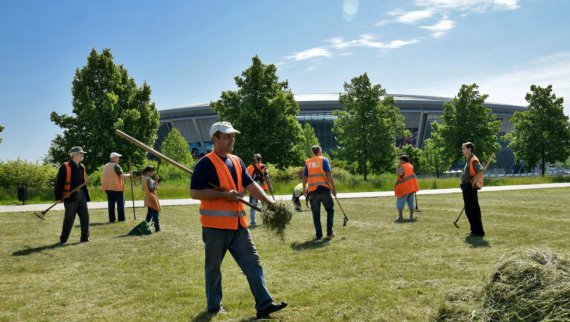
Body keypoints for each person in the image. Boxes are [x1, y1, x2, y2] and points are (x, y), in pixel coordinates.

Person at [190, 121, 288, 318]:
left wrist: (268, 202)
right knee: (214, 268)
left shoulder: (237, 161)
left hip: (238, 226)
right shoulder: (205, 163)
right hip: (215, 227)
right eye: (226, 136)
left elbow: (250, 185)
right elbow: (195, 193)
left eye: (232, 136)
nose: (231, 139)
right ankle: (214, 306)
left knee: (253, 263)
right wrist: (223, 195)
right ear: (215, 138)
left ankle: (264, 304)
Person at [54, 146, 90, 243]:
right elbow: (59, 183)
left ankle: (85, 238)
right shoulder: (65, 167)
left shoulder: (82, 167)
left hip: (82, 195)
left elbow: (83, 181)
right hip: (70, 196)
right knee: (69, 218)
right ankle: (63, 239)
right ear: (76, 155)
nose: (82, 155)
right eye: (81, 153)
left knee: (85, 217)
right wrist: (59, 197)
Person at [303, 145, 337, 240]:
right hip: (325, 189)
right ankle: (329, 232)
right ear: (319, 151)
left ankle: (319, 235)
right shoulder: (324, 160)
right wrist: (334, 189)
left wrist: (304, 189)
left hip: (313, 191)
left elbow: (304, 177)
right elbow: (329, 175)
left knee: (316, 215)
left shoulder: (308, 162)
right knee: (330, 210)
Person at [461, 142, 485, 237]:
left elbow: (481, 170)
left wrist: (475, 180)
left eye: (463, 148)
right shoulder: (468, 159)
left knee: (473, 209)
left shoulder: (473, 160)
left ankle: (479, 231)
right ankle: (474, 230)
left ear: (469, 149)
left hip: (470, 187)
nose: (462, 150)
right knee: (469, 210)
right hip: (466, 187)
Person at [101, 152, 131, 223]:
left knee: (111, 204)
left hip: (108, 188)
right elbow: (121, 175)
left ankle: (112, 219)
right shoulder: (116, 166)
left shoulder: (105, 166)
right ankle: (121, 219)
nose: (118, 159)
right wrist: (129, 174)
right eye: (117, 157)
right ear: (113, 158)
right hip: (117, 188)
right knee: (120, 204)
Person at [246, 153, 274, 226]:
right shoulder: (263, 166)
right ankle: (266, 220)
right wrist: (270, 187)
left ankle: (253, 222)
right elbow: (267, 178)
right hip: (263, 190)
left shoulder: (249, 168)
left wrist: (245, 189)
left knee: (253, 206)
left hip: (253, 190)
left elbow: (245, 179)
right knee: (265, 206)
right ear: (261, 159)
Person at [394, 155, 420, 222]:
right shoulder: (411, 166)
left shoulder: (402, 166)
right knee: (411, 203)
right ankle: (411, 217)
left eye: (400, 160)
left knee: (400, 203)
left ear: (404, 160)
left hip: (404, 188)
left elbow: (398, 173)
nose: (399, 161)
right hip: (411, 187)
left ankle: (400, 217)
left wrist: (397, 166)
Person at [142, 166, 161, 232]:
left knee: (150, 213)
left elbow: (143, 188)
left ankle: (145, 225)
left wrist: (155, 181)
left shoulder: (143, 178)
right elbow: (152, 188)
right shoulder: (148, 179)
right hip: (152, 197)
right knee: (156, 212)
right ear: (148, 171)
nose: (153, 173)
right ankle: (157, 228)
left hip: (147, 197)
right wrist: (156, 180)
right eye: (152, 171)